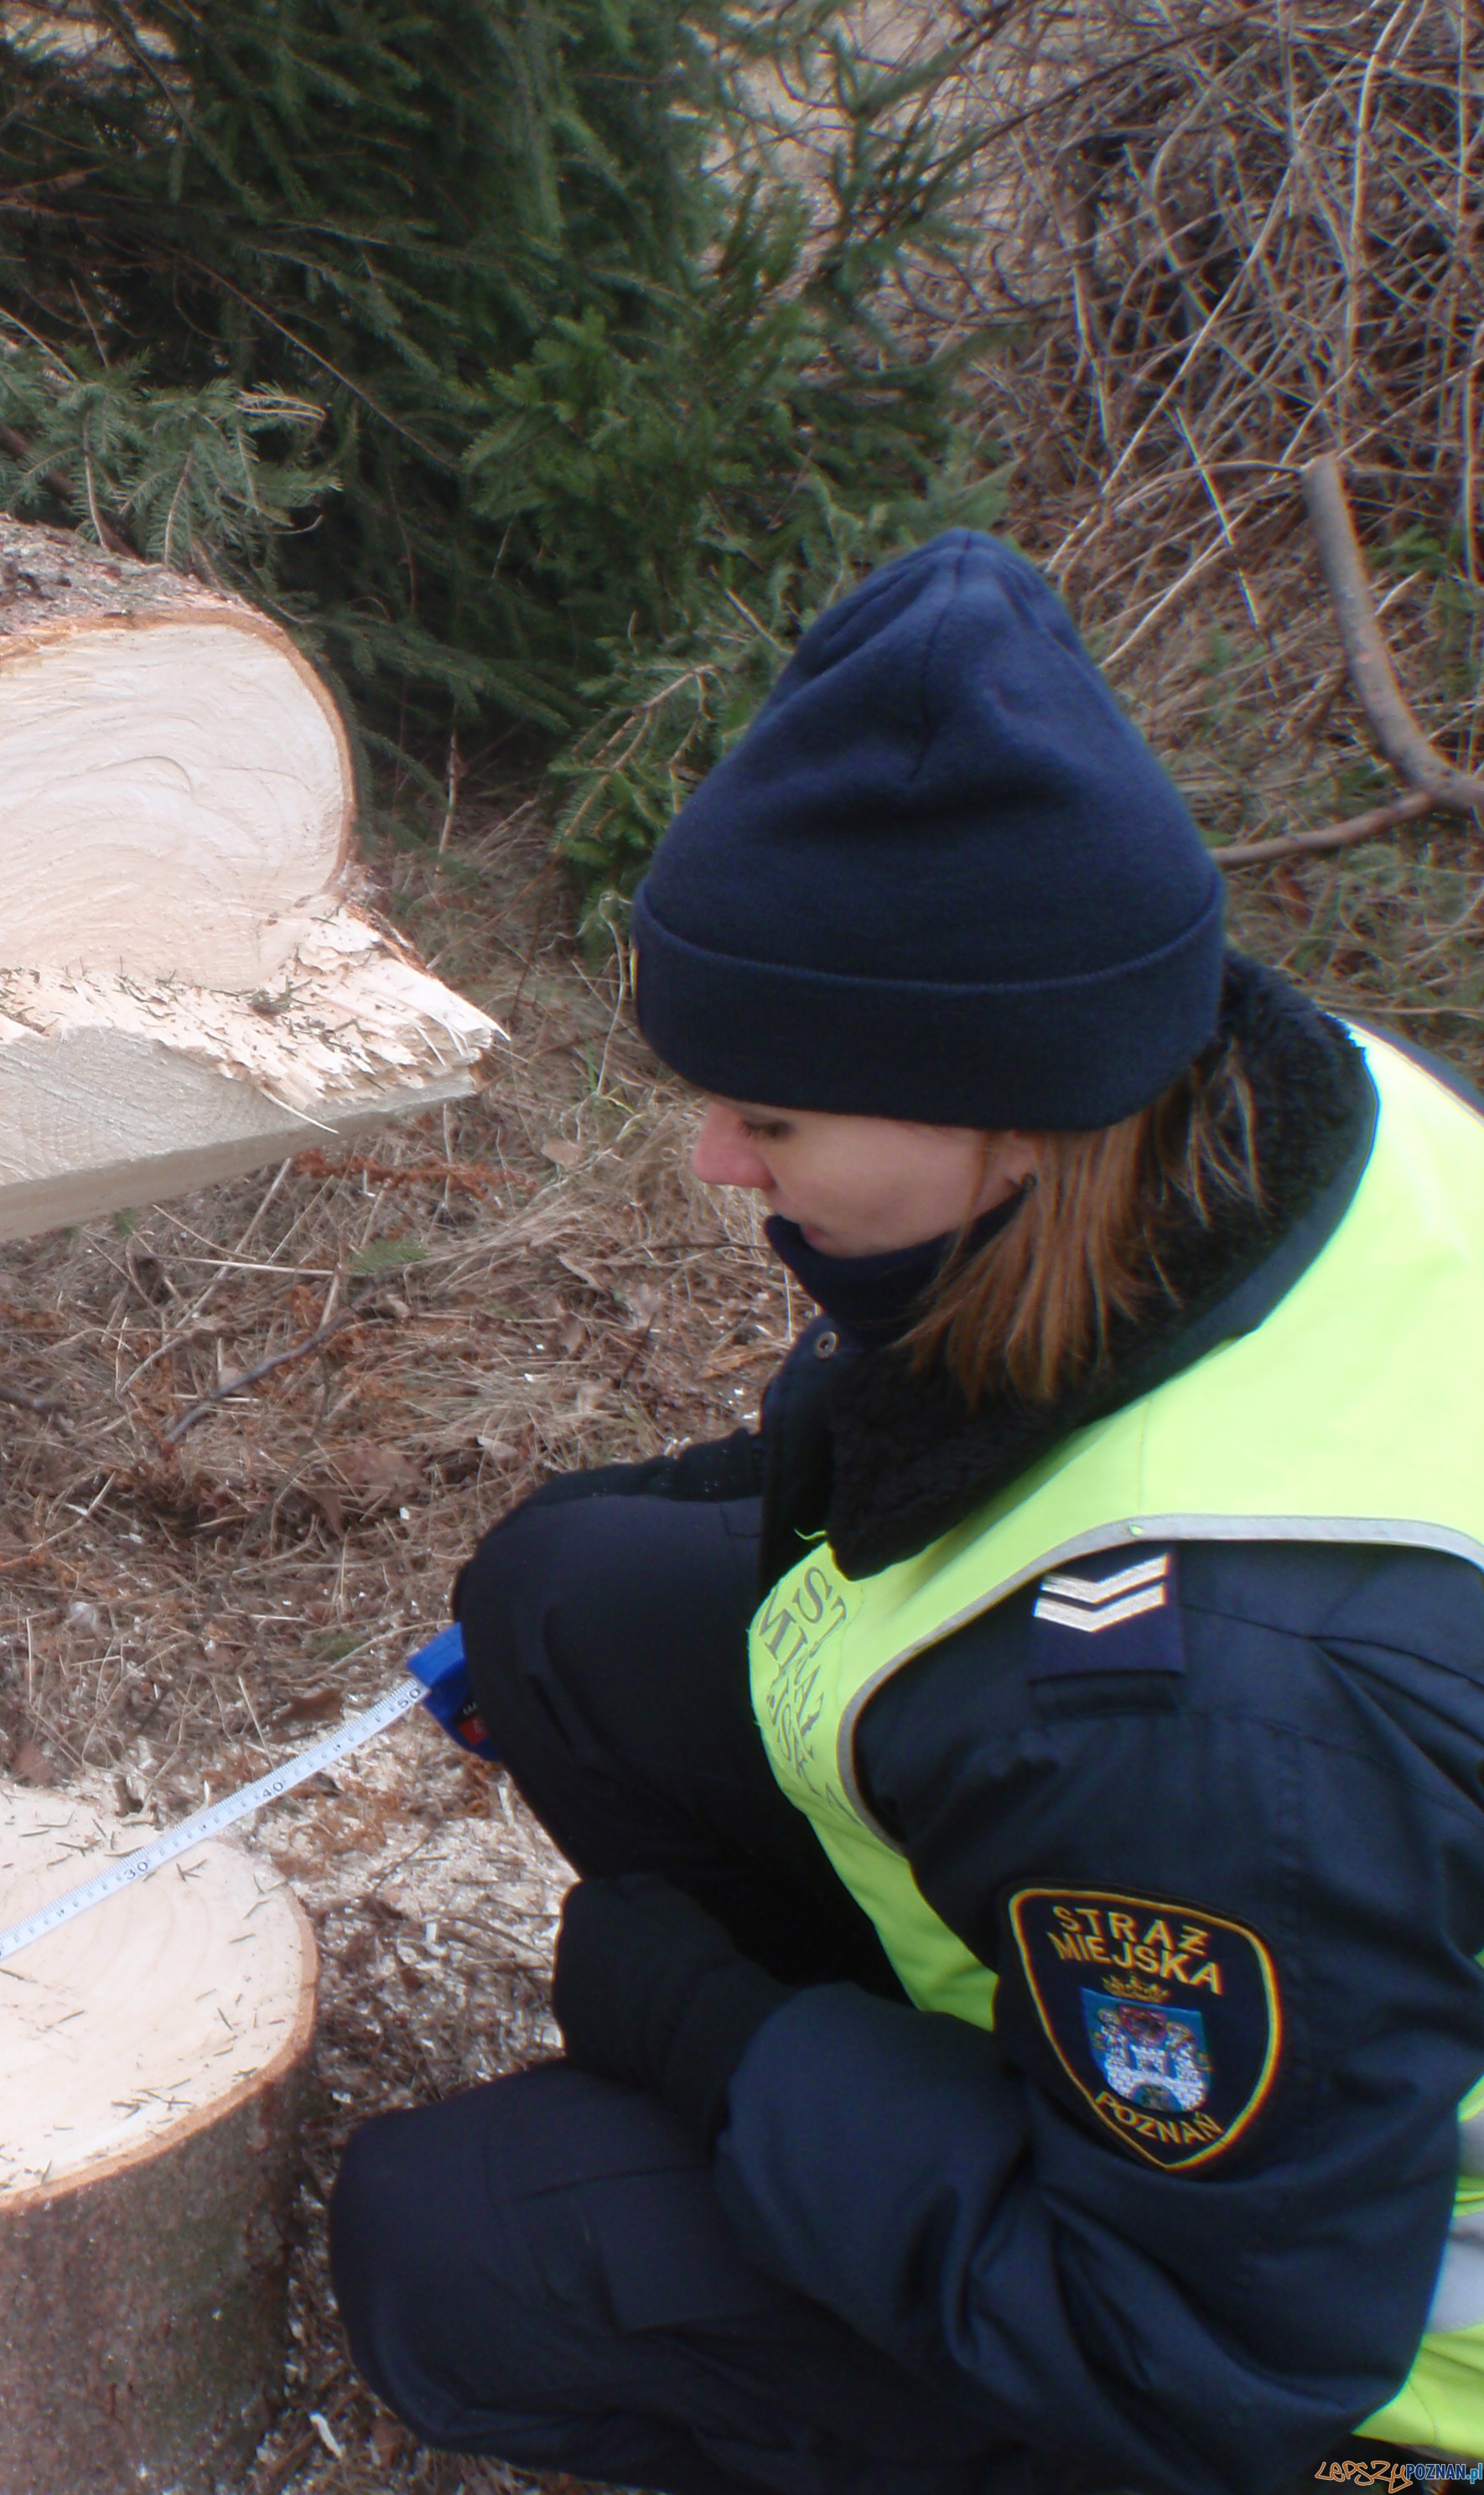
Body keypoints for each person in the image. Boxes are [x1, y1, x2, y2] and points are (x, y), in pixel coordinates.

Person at [324, 531, 1484, 2495]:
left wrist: (717, 2040)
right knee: (564, 1600)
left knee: (458, 2252)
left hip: (1314, 2370)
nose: (709, 1160)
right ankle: (887, 2075)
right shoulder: (1266, 1108)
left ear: (1003, 1114)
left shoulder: (1207, 1727)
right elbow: (929, 1438)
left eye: (768, 1120)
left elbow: (1183, 2350)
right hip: (1218, 1923)